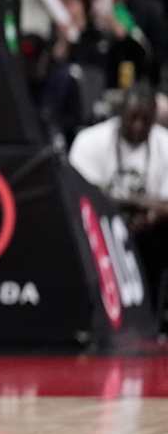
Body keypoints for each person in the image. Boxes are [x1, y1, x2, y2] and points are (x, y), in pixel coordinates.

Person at [70, 83, 168, 323]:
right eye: (132, 118)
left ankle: (158, 316)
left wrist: (148, 215)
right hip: (97, 228)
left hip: (149, 230)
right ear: (120, 113)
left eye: (146, 120)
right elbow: (79, 196)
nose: (138, 125)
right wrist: (138, 204)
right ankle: (85, 318)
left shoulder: (164, 144)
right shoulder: (90, 140)